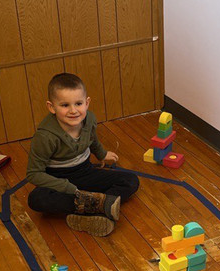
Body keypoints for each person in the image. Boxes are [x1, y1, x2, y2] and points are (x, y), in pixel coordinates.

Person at [26, 73, 139, 236]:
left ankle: (94, 207)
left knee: (130, 180)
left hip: (85, 172)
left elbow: (91, 138)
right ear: (52, 107)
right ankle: (98, 207)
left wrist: (101, 154)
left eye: (78, 103)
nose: (73, 111)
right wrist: (67, 187)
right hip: (58, 180)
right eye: (65, 105)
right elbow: (33, 174)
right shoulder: (45, 137)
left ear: (86, 103)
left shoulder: (90, 119)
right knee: (37, 199)